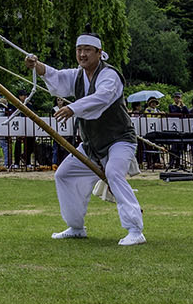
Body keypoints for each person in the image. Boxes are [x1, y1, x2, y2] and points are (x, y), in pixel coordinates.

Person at [23, 35, 146, 246]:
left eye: (88, 49)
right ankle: (76, 227)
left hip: (119, 140)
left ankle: (135, 230)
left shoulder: (109, 75)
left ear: (99, 52)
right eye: (79, 49)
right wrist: (37, 66)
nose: (82, 54)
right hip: (91, 145)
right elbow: (57, 77)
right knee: (64, 175)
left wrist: (73, 108)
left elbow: (102, 98)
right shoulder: (77, 75)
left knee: (114, 173)